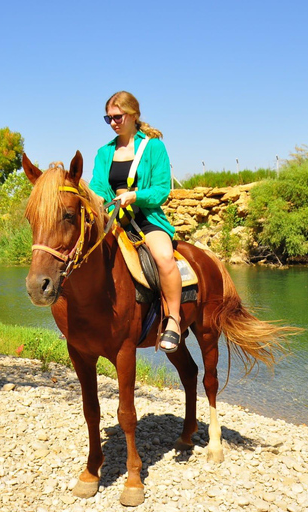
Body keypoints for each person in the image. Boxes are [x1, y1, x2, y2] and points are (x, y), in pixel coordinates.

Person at [90, 91, 183, 353]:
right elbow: (98, 185)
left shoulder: (153, 146)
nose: (113, 122)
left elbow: (161, 189)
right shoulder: (104, 152)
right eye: (108, 117)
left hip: (146, 219)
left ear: (133, 115)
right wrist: (94, 198)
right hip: (114, 221)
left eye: (117, 116)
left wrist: (135, 196)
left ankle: (173, 320)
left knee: (164, 258)